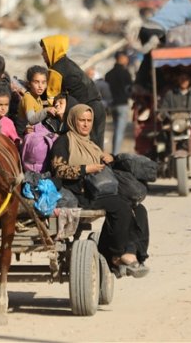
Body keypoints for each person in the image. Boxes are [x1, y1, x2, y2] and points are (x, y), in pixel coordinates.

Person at [49, 104, 149, 277]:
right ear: (73, 120)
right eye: (82, 120)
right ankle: (116, 255)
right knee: (120, 207)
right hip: (82, 193)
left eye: (89, 120)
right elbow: (58, 169)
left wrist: (108, 159)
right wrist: (85, 169)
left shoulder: (91, 143)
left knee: (139, 209)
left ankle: (132, 252)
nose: (86, 124)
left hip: (101, 190)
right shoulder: (64, 141)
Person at [41, 34, 106, 148]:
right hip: (98, 108)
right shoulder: (67, 63)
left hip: (86, 113)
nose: (42, 54)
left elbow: (51, 98)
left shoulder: (56, 69)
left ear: (52, 50)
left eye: (44, 51)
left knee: (87, 150)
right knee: (96, 149)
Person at [105, 50, 133, 155]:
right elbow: (130, 89)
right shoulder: (125, 73)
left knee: (116, 129)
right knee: (119, 131)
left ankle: (114, 152)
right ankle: (115, 154)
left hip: (112, 105)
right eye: (126, 57)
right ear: (121, 58)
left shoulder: (109, 74)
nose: (127, 59)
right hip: (122, 105)